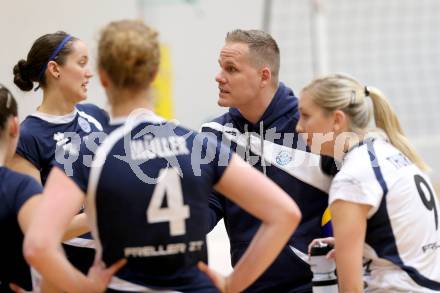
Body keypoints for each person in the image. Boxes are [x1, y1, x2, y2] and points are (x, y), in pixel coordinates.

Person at [24, 19, 302, 293]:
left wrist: (86, 288)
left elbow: (37, 243)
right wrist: (233, 284)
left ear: (103, 76)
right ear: (156, 74)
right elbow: (285, 213)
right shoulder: (200, 144)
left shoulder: (88, 151)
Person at [201, 29, 335, 292]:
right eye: (221, 67)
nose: (219, 77)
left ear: (264, 76)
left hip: (315, 287)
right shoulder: (214, 135)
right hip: (250, 286)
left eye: (231, 69)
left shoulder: (313, 128)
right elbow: (205, 209)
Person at [297, 73, 440, 292]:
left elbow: (351, 289)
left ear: (337, 120)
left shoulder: (352, 178)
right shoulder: (386, 152)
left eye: (306, 115)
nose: (298, 127)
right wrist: (360, 246)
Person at [10, 31, 109, 275]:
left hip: (110, 257)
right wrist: (105, 214)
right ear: (55, 69)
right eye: (82, 63)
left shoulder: (96, 116)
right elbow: (39, 228)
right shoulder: (28, 137)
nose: (90, 73)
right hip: (67, 265)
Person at [0, 85, 92, 292]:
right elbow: (41, 247)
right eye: (81, 62)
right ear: (15, 127)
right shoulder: (18, 187)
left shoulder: (91, 116)